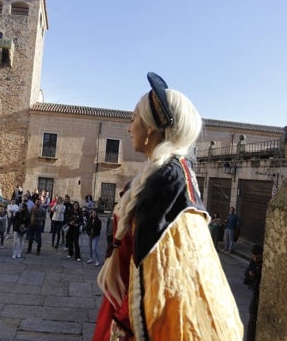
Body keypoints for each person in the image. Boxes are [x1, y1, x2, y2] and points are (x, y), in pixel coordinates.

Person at [93, 72, 243, 340]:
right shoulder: (163, 175)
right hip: (123, 307)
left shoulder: (168, 180)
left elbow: (165, 274)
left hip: (136, 320)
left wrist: (126, 324)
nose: (129, 128)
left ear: (150, 128)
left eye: (133, 120)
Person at [244, 244, 263, 341]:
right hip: (256, 293)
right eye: (253, 256)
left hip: (261, 294)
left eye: (257, 257)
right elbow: (247, 273)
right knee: (252, 318)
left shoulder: (264, 263)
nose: (254, 258)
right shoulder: (253, 262)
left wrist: (255, 273)